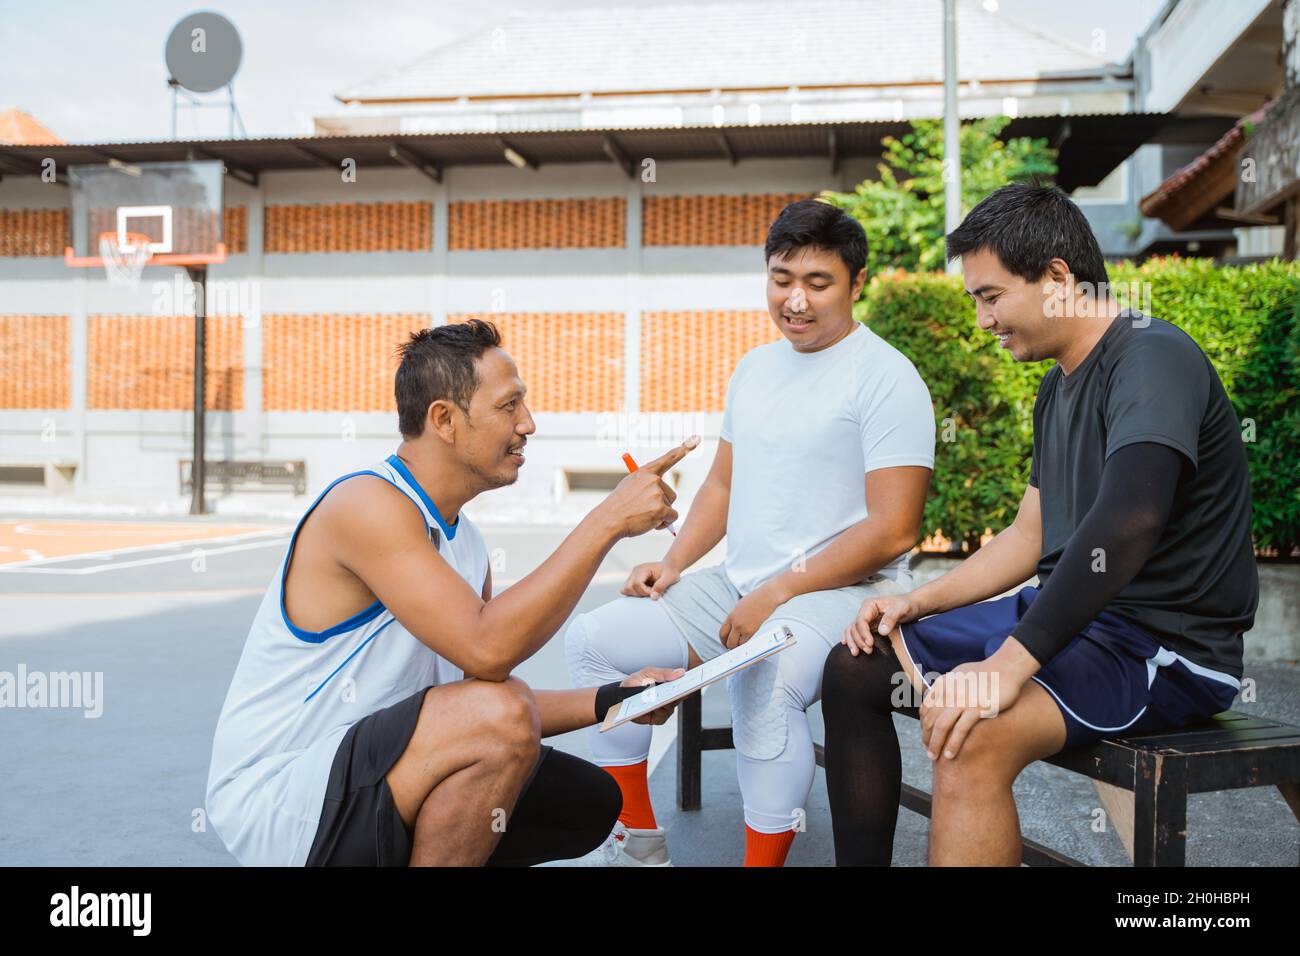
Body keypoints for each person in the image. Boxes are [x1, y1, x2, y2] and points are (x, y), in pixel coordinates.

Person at [821, 182, 1258, 866]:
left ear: (1057, 277)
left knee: (971, 731)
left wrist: (1007, 665)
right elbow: (1031, 537)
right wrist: (914, 601)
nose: (980, 320)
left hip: (1163, 648)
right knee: (857, 665)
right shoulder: (1059, 383)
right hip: (1079, 622)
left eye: (989, 296)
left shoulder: (1152, 357)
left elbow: (1132, 519)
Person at [205, 318, 696, 866]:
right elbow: (489, 654)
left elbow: (475, 700)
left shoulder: (467, 541)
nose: (527, 424)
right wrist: (606, 521)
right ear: (444, 419)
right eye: (509, 406)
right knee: (501, 716)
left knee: (586, 803)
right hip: (286, 798)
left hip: (379, 774)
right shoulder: (367, 505)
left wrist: (614, 698)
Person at [564, 198, 935, 866]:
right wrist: (673, 564)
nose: (795, 300)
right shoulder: (755, 369)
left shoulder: (887, 378)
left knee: (763, 680)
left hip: (847, 591)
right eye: (781, 278)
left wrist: (777, 592)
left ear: (856, 284)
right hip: (742, 585)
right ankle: (638, 841)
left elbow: (893, 530)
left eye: (818, 283)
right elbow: (723, 487)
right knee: (596, 641)